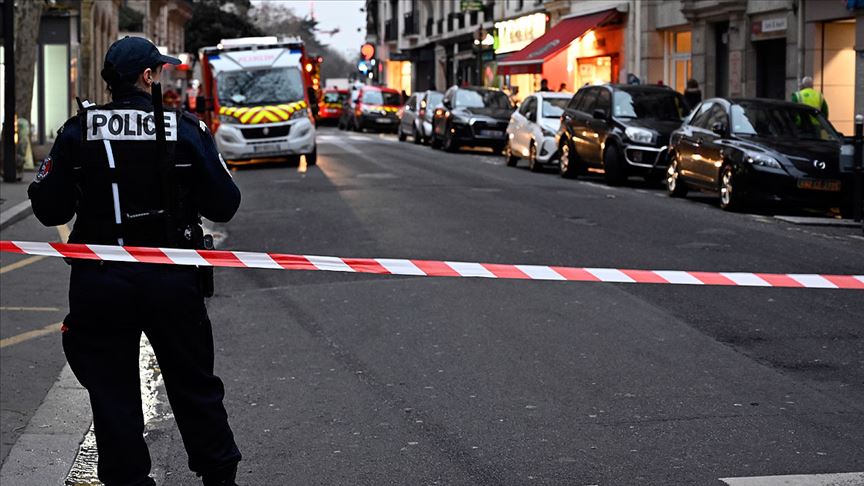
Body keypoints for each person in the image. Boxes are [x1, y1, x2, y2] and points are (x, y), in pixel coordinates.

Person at [28, 36, 242, 486]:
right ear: (147, 76)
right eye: (158, 70)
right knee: (194, 386)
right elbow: (225, 203)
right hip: (172, 280)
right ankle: (219, 475)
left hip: (101, 281)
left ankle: (127, 480)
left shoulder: (77, 129)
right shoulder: (184, 128)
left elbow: (50, 210)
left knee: (112, 394)